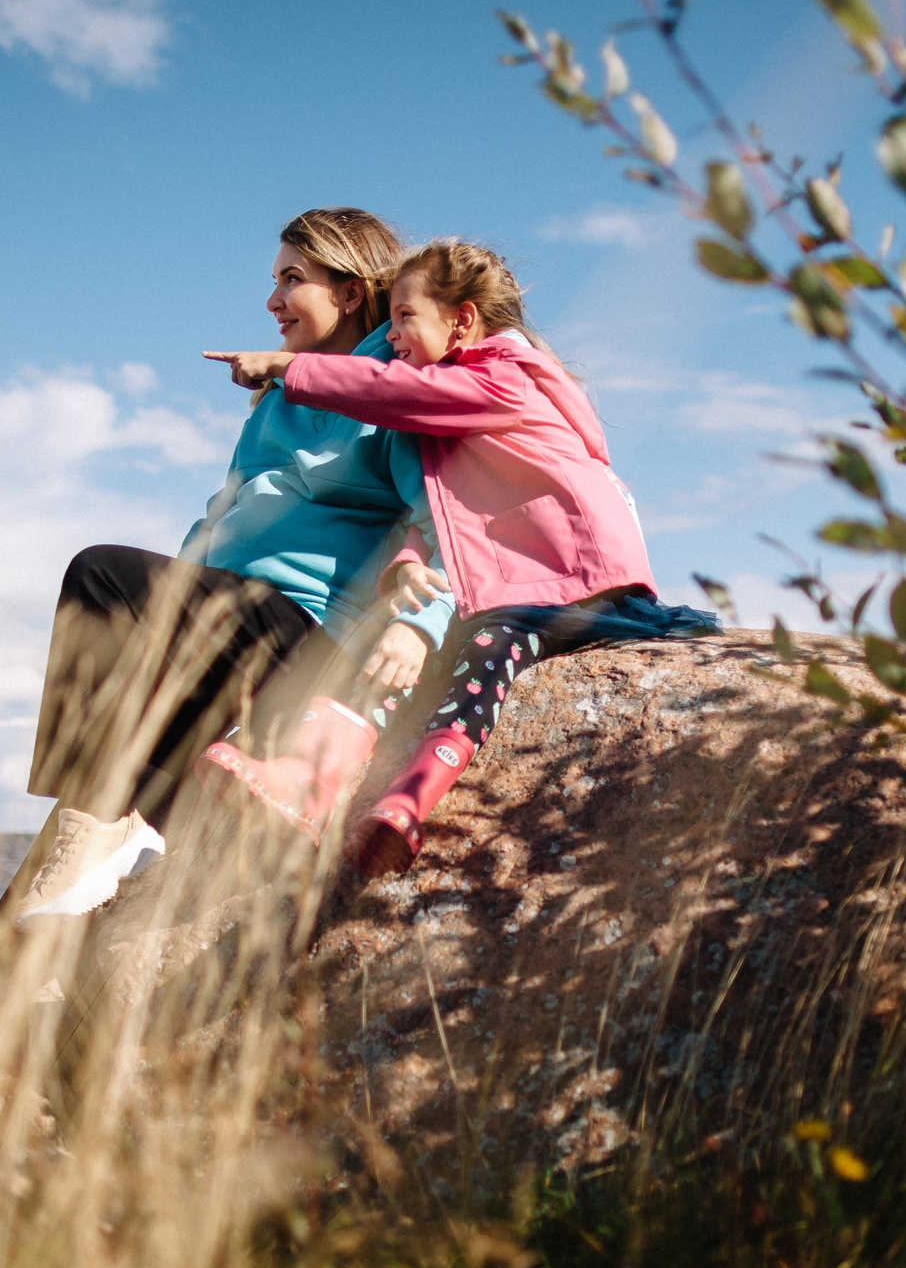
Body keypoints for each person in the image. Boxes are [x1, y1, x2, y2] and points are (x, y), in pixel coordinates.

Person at [0, 208, 451, 1046]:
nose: (271, 296)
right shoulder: (277, 399)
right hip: (231, 619)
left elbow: (452, 516)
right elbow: (219, 520)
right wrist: (156, 617)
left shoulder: (394, 389)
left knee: (99, 571)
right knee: (115, 763)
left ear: (350, 291)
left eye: (291, 278)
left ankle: (13, 955)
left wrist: (421, 626)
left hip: (312, 639)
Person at [204, 238, 717, 879]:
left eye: (404, 318)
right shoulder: (451, 405)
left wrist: (287, 368)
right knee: (411, 650)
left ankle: (406, 801)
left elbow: (386, 390)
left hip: (576, 578)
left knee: (482, 653)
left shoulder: (501, 376)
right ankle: (316, 781)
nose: (391, 337)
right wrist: (410, 566)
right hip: (519, 576)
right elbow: (447, 504)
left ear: (464, 320)